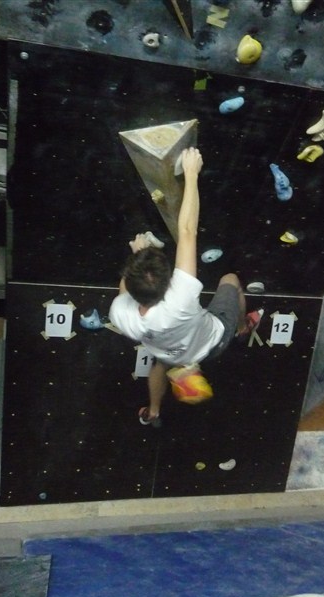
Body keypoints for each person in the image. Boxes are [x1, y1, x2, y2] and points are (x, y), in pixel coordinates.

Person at [109, 147, 254, 427]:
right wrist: (191, 173)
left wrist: (137, 257)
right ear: (169, 281)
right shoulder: (181, 297)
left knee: (160, 364)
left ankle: (153, 411)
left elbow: (124, 291)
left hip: (168, 352)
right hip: (212, 343)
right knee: (230, 281)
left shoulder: (121, 315)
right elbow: (187, 231)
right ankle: (240, 328)